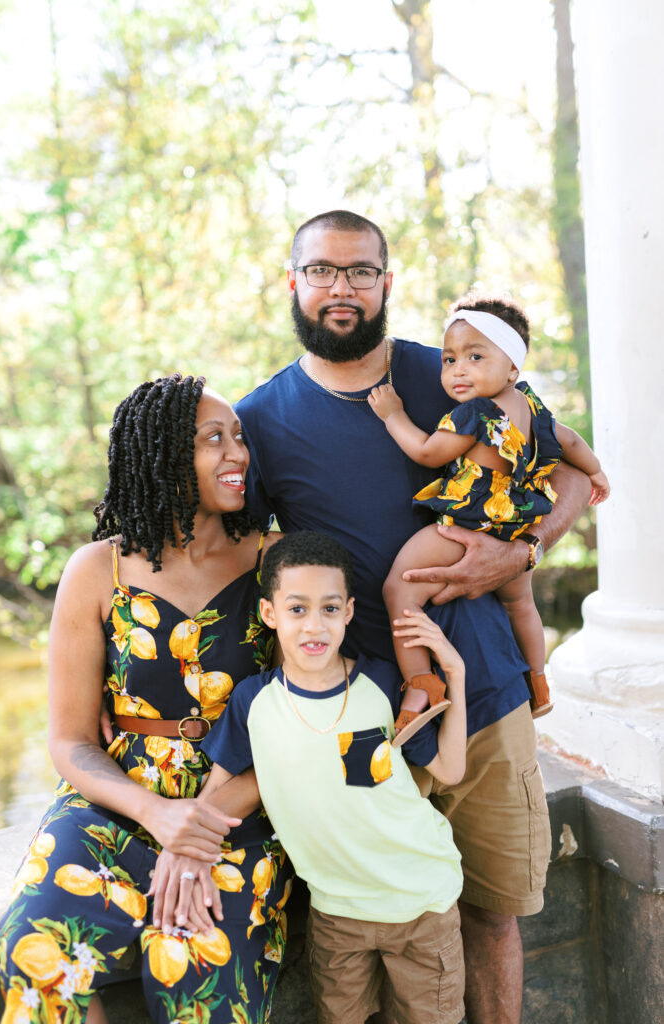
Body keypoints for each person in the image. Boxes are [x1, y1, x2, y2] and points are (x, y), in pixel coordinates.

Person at [235, 210, 592, 1024]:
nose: (341, 288)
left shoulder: (462, 372)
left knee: (493, 912)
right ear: (291, 282)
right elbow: (243, 566)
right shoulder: (261, 421)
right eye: (322, 270)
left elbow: (574, 476)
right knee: (384, 914)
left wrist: (522, 552)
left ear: (386, 284)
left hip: (490, 691)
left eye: (360, 271)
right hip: (364, 711)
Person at [0, 374, 292, 1024]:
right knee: (34, 950)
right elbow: (71, 741)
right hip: (116, 804)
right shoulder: (95, 571)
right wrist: (155, 813)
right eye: (214, 439)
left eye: (238, 437)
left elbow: (305, 716)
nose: (237, 454)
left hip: (240, 805)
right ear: (157, 453)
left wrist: (194, 835)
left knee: (196, 965)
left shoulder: (277, 562)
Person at [202, 531, 468, 1024]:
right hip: (336, 914)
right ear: (269, 614)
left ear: (348, 611)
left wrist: (456, 673)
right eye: (297, 609)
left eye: (328, 609)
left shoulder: (383, 684)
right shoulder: (252, 703)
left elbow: (450, 770)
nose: (314, 626)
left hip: (421, 904)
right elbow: (211, 799)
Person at [368, 292, 609, 734]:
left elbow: (425, 451)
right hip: (515, 526)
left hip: (467, 522)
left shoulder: (475, 413)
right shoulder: (533, 407)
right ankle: (539, 682)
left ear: (512, 366)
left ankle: (421, 687)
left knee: (398, 590)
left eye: (475, 356)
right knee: (521, 604)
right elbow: (570, 441)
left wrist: (393, 414)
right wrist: (597, 475)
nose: (458, 369)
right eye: (449, 359)